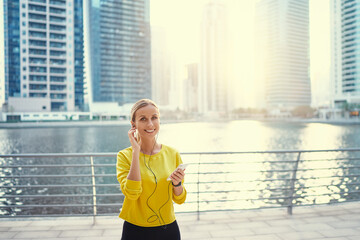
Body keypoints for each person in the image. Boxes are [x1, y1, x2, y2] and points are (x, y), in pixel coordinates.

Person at [116, 99, 187, 240]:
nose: (150, 124)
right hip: (135, 230)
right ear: (133, 125)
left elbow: (179, 199)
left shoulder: (173, 154)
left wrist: (177, 184)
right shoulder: (124, 156)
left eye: (154, 118)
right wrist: (136, 151)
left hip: (168, 228)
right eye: (143, 119)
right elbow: (132, 193)